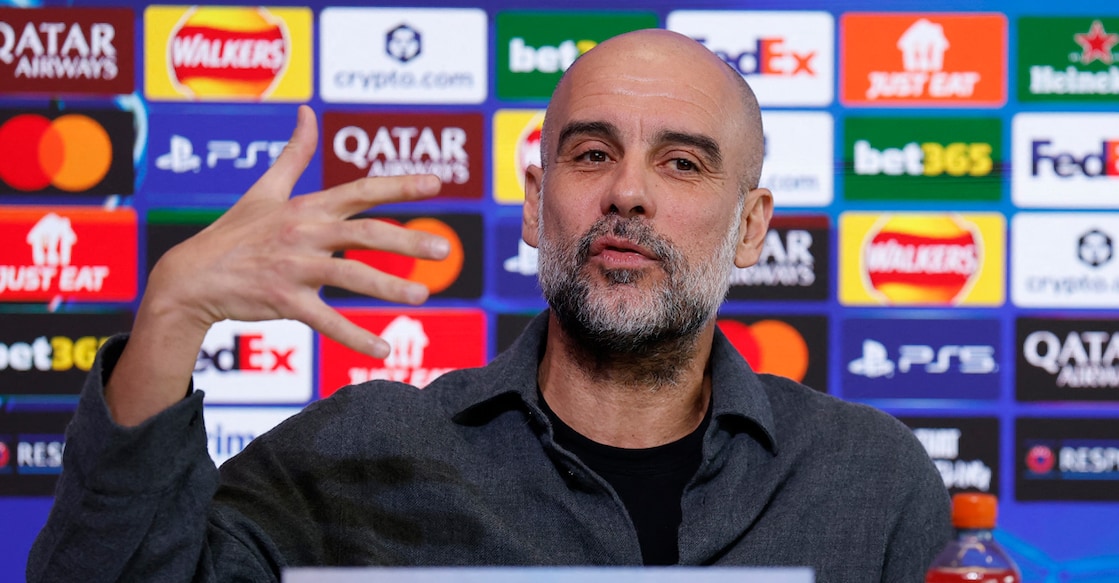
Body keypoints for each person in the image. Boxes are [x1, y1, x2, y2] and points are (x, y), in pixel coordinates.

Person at [27, 29, 950, 582]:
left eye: (680, 162)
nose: (626, 193)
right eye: (590, 155)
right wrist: (172, 315)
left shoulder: (869, 477)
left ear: (752, 228)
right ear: (533, 204)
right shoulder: (363, 452)